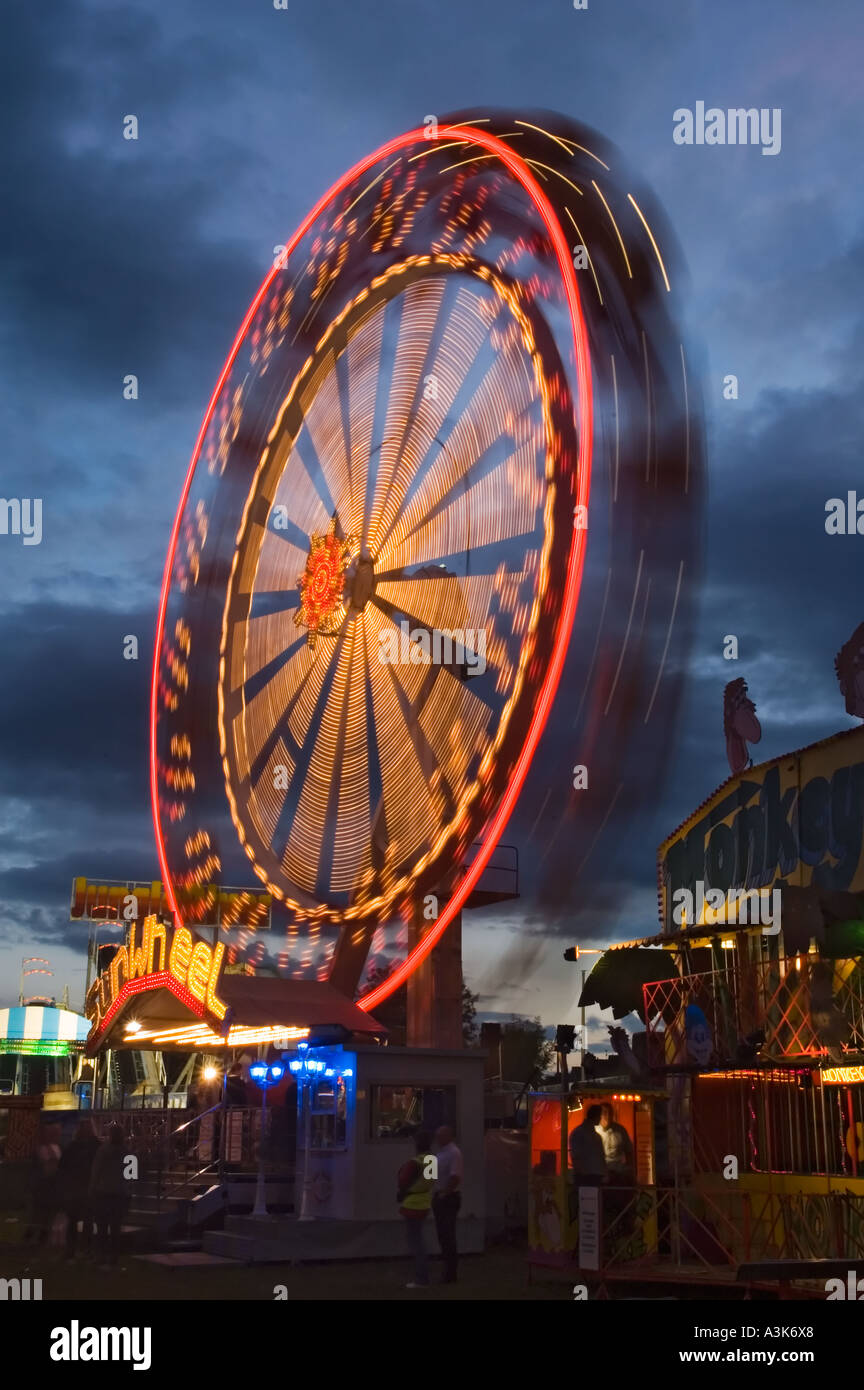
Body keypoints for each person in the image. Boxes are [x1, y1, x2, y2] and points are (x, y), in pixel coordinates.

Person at [397, 1129, 435, 1289]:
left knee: (416, 1242)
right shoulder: (431, 1160)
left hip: (412, 1203)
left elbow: (402, 1181)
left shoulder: (414, 1162)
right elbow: (430, 1181)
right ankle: (422, 1275)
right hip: (425, 1202)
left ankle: (421, 1278)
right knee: (418, 1239)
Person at [59, 1118, 100, 1260]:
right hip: (79, 1188)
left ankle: (80, 1249)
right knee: (78, 1220)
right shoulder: (78, 1146)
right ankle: (77, 1249)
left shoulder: (90, 1146)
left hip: (84, 1188)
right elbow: (63, 1167)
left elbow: (63, 1167)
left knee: (82, 1221)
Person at [90, 1122, 129, 1268]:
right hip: (118, 1194)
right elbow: (132, 1175)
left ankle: (100, 1256)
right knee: (115, 1228)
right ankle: (113, 1258)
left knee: (102, 1227)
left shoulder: (103, 1151)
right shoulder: (127, 1152)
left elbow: (96, 1171)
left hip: (103, 1193)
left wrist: (92, 1187)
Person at [431, 1124, 462, 1284]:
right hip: (440, 1196)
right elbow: (434, 1173)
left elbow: (455, 1176)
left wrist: (444, 1193)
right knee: (443, 1235)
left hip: (448, 1198)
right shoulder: (441, 1152)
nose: (437, 1139)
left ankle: (451, 1273)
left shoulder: (453, 1153)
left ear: (448, 1136)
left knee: (448, 1235)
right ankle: (447, 1270)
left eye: (440, 1135)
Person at [26, 1123, 62, 1245]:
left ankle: (42, 1236)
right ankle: (31, 1235)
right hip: (42, 1185)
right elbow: (42, 1168)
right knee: (38, 1212)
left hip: (51, 1185)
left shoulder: (56, 1148)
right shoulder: (39, 1149)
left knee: (48, 1212)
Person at [568, 1105, 607, 1183]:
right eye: (599, 1116)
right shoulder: (586, 1134)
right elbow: (576, 1156)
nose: (600, 1118)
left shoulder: (579, 1132)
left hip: (589, 1176)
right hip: (587, 1176)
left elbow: (575, 1155)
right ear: (595, 1116)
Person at [597, 1104, 635, 1181]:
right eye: (604, 1113)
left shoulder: (620, 1130)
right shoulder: (594, 1130)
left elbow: (629, 1151)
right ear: (599, 1115)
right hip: (600, 1172)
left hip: (618, 1172)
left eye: (610, 1113)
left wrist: (630, 1171)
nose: (607, 1116)